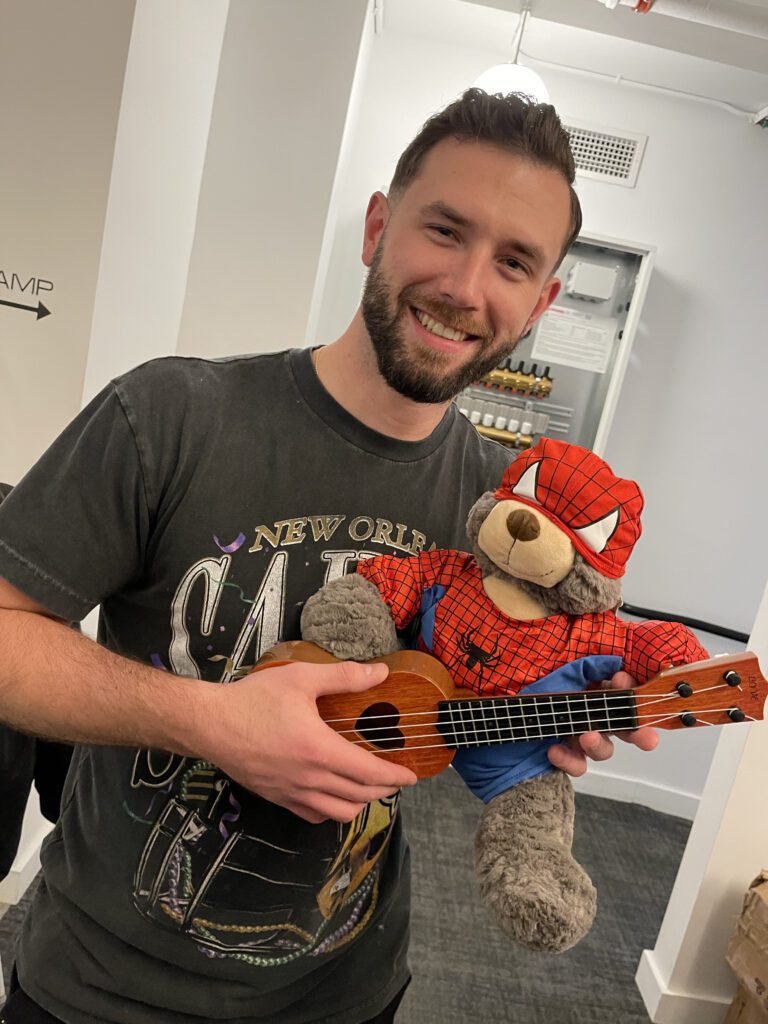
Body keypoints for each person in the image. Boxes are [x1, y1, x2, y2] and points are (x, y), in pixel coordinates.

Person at [0, 89, 657, 1024]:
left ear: (543, 300)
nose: (467, 288)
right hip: (99, 993)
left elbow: (502, 692)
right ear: (378, 228)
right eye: (444, 230)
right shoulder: (171, 418)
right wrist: (213, 722)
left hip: (347, 997)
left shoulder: (507, 515)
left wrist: (546, 722)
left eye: (513, 262)